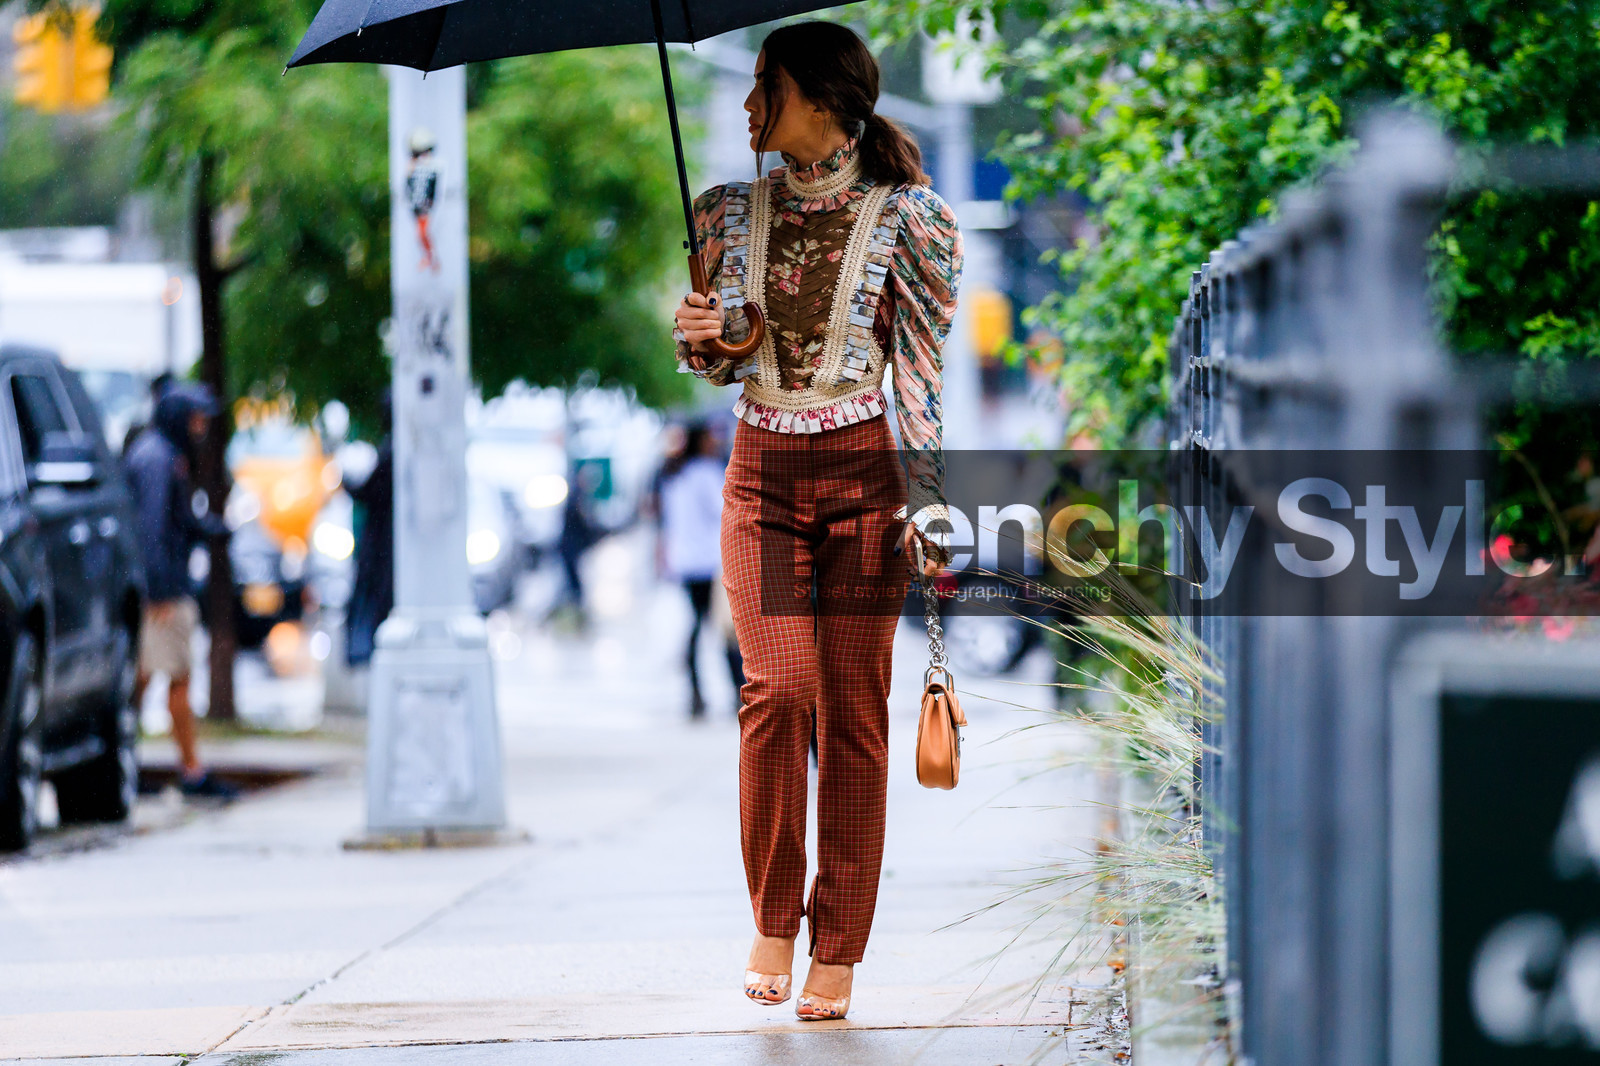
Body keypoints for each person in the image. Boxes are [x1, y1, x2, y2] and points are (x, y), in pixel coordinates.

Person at [672, 22, 962, 1022]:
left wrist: (927, 500)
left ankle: (838, 943)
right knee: (776, 689)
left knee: (852, 714)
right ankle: (772, 916)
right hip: (760, 474)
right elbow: (720, 358)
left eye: (767, 88)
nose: (750, 107)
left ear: (824, 98)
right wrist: (701, 335)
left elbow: (919, 373)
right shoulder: (721, 213)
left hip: (866, 480)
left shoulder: (912, 220)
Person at [122, 383, 238, 800]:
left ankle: (128, 766)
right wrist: (159, 594)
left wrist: (210, 528)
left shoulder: (161, 455)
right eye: (196, 418)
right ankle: (188, 771)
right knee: (171, 680)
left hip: (162, 589)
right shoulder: (158, 459)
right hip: (164, 595)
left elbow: (174, 521)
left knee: (147, 678)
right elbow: (152, 530)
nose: (201, 427)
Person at [657, 421, 745, 719]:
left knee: (697, 625)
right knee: (725, 629)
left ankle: (695, 691)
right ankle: (738, 690)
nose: (715, 441)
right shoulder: (706, 474)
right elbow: (727, 511)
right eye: (711, 437)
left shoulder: (674, 475)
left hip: (685, 562)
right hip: (710, 562)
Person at [345, 394, 394, 667]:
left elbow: (370, 490)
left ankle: (365, 651)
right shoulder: (394, 447)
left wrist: (346, 484)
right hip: (382, 543)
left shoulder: (392, 449)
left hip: (382, 545)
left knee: (375, 600)